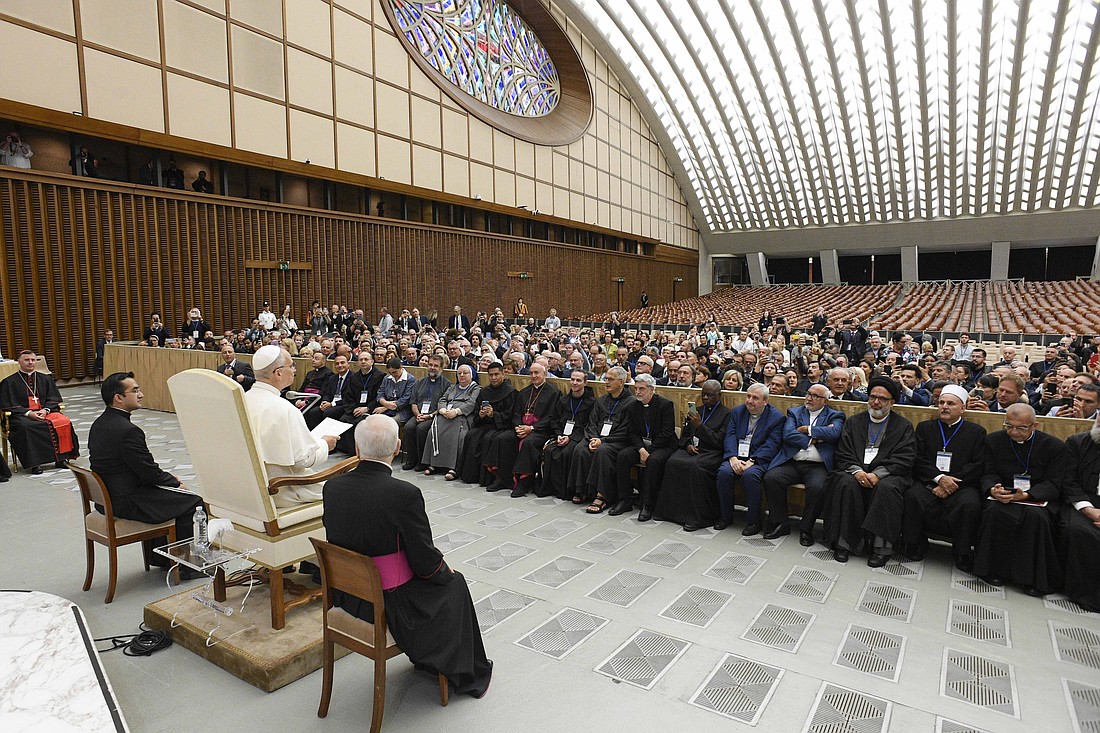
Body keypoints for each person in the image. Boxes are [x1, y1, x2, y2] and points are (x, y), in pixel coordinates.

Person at [323, 415, 493, 698]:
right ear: (398, 447)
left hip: (347, 596)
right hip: (388, 603)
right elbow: (425, 562)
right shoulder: (404, 494)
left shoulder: (332, 486)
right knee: (455, 585)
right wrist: (444, 572)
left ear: (356, 448)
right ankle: (459, 670)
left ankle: (431, 659)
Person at [89, 372, 204, 579]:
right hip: (126, 501)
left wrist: (166, 480)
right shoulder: (127, 430)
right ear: (118, 397)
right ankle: (186, 567)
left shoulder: (100, 423)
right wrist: (175, 483)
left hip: (108, 498)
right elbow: (149, 472)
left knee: (167, 495)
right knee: (193, 502)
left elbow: (140, 469)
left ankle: (162, 557)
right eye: (135, 391)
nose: (140, 394)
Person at [972, 404, 1066, 596]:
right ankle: (994, 571)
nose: (1013, 432)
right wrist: (993, 489)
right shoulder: (993, 441)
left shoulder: (1053, 446)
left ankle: (1032, 579)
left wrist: (1028, 495)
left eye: (1021, 428)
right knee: (993, 511)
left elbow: (1054, 482)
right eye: (1009, 426)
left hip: (1036, 496)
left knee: (1035, 517)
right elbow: (987, 473)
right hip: (1004, 493)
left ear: (1034, 425)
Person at [822, 376, 916, 566]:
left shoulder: (903, 426)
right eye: (873, 396)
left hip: (887, 474)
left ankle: (881, 548)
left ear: (892, 402)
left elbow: (904, 458)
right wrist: (857, 472)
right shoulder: (854, 421)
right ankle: (844, 543)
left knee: (887, 489)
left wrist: (877, 474)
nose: (876, 402)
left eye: (882, 399)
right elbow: (844, 452)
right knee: (845, 483)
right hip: (855, 471)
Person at [901, 384, 988, 573]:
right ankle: (915, 543)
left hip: (961, 484)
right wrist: (939, 478)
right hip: (930, 480)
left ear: (963, 408)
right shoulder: (925, 428)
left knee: (970, 504)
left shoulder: (976, 432)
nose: (944, 406)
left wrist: (950, 482)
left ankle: (962, 552)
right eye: (941, 402)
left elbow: (977, 464)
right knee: (913, 496)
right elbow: (918, 458)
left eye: (950, 403)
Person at [242, 345, 338, 507]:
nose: (294, 370)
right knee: (345, 493)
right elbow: (303, 460)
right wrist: (324, 445)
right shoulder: (284, 409)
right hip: (283, 491)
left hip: (250, 489)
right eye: (291, 365)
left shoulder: (244, 399)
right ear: (278, 373)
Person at [762, 383, 845, 545]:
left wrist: (807, 429)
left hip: (817, 466)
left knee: (818, 488)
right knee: (771, 478)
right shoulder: (795, 412)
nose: (809, 398)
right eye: (808, 394)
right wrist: (818, 438)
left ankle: (806, 528)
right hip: (793, 462)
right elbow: (788, 435)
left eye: (815, 396)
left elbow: (834, 433)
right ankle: (780, 523)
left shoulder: (835, 415)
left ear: (825, 401)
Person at [653, 381, 730, 531]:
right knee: (673, 462)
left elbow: (719, 441)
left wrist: (699, 425)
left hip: (712, 452)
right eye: (703, 394)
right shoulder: (696, 409)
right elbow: (686, 434)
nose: (706, 398)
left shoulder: (727, 413)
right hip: (692, 449)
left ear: (719, 396)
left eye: (710, 395)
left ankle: (697, 517)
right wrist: (687, 445)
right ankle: (670, 512)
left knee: (695, 467)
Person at [715, 383, 784, 534]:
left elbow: (772, 444)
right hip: (737, 455)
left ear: (765, 401)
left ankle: (754, 521)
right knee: (724, 473)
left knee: (750, 475)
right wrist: (732, 458)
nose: (750, 401)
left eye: (755, 398)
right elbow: (730, 436)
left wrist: (752, 461)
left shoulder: (776, 417)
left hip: (759, 459)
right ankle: (725, 516)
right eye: (748, 396)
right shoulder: (737, 412)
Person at [0, 350, 79, 473]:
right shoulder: (9, 382)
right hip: (21, 415)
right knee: (27, 427)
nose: (30, 362)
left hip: (46, 412)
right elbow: (8, 403)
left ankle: (61, 459)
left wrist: (46, 410)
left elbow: (54, 398)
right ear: (19, 362)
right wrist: (29, 413)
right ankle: (35, 463)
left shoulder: (45, 379)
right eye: (27, 360)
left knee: (63, 421)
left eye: (33, 360)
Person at [572, 366, 636, 512]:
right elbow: (592, 422)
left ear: (621, 382)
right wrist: (593, 438)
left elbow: (627, 430)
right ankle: (583, 490)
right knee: (581, 448)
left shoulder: (631, 402)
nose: (606, 382)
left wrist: (603, 441)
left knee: (603, 451)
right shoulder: (601, 400)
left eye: (610, 379)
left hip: (617, 441)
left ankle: (602, 496)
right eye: (606, 379)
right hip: (597, 437)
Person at [489, 362, 558, 497]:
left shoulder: (554, 392)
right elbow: (515, 414)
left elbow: (551, 417)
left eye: (536, 373)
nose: (533, 376)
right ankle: (503, 478)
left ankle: (523, 483)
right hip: (521, 427)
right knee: (503, 438)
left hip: (540, 430)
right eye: (531, 373)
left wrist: (531, 428)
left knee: (528, 443)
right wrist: (517, 427)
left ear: (544, 373)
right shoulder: (525, 392)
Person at [614, 373, 676, 520]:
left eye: (642, 389)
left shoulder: (665, 404)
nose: (638, 392)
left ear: (651, 389)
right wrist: (642, 449)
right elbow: (632, 432)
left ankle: (648, 504)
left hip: (663, 446)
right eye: (636, 389)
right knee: (623, 456)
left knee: (653, 461)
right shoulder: (633, 406)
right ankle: (624, 499)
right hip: (642, 445)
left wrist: (649, 451)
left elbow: (667, 433)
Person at [1061, 411, 1100, 611]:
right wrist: (1089, 510)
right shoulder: (1077, 443)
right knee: (1081, 532)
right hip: (1084, 503)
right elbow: (1069, 482)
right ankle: (1086, 595)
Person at [540, 369, 596, 500]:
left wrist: (570, 438)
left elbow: (589, 425)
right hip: (562, 434)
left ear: (585, 382)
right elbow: (555, 420)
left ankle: (569, 490)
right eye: (572, 380)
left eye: (578, 380)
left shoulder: (591, 402)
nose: (575, 383)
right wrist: (559, 434)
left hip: (579, 436)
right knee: (550, 451)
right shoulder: (563, 400)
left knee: (568, 452)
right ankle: (552, 488)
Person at [458, 362, 515, 486]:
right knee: (471, 435)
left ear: (503, 374)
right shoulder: (484, 391)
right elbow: (476, 411)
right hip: (485, 424)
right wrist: (481, 414)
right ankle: (471, 475)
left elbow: (510, 415)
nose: (493, 378)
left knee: (490, 439)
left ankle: (491, 478)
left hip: (501, 426)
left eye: (496, 374)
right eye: (491, 375)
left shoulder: (511, 392)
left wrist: (494, 414)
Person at [421, 364, 480, 479]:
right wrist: (442, 410)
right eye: (459, 373)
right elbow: (443, 399)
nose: (462, 375)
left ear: (471, 375)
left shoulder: (476, 388)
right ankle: (435, 463)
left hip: (462, 416)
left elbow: (471, 403)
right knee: (433, 432)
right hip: (446, 415)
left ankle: (454, 467)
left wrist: (457, 411)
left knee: (459, 436)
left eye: (465, 373)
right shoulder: (452, 387)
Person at [401, 355, 451, 471]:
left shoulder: (446, 384)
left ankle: (423, 461)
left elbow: (444, 405)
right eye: (430, 365)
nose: (432, 368)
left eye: (436, 366)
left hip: (435, 415)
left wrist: (429, 416)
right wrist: (417, 414)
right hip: (419, 414)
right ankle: (411, 459)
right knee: (409, 427)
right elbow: (413, 402)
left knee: (421, 429)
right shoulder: (419, 382)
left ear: (441, 368)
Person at [373, 357, 416, 426]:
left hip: (402, 411)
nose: (392, 374)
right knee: (373, 420)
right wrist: (384, 402)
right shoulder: (387, 378)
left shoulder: (410, 380)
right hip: (386, 407)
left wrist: (386, 407)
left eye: (394, 372)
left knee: (387, 423)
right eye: (390, 372)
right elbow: (380, 392)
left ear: (401, 367)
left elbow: (405, 399)